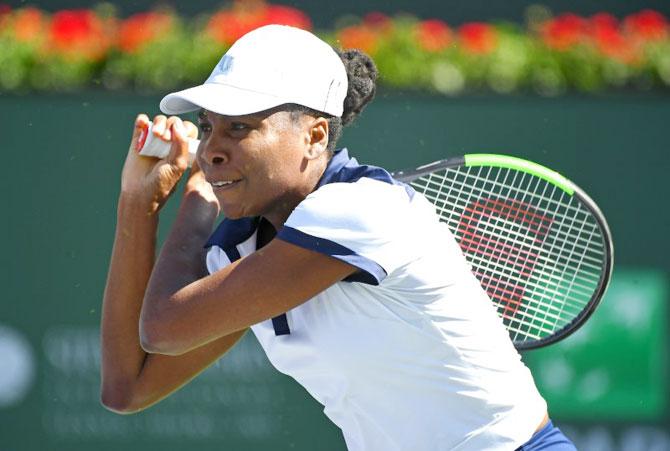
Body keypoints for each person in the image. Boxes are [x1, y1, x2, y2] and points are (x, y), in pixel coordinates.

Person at [100, 24, 577, 450]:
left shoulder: (361, 210)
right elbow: (128, 387)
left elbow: (162, 327)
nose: (211, 149)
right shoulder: (244, 247)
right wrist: (138, 202)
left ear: (315, 135)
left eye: (240, 127)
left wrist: (198, 198)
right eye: (208, 127)